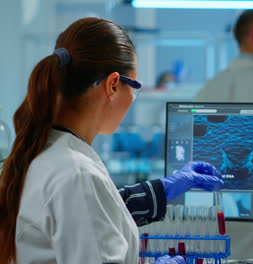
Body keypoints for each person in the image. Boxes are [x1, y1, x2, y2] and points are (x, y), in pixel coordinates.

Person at [0, 17, 223, 264]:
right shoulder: (77, 174)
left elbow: (92, 214)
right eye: (135, 87)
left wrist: (162, 190)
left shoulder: (45, 153)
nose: (133, 97)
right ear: (113, 85)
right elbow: (87, 207)